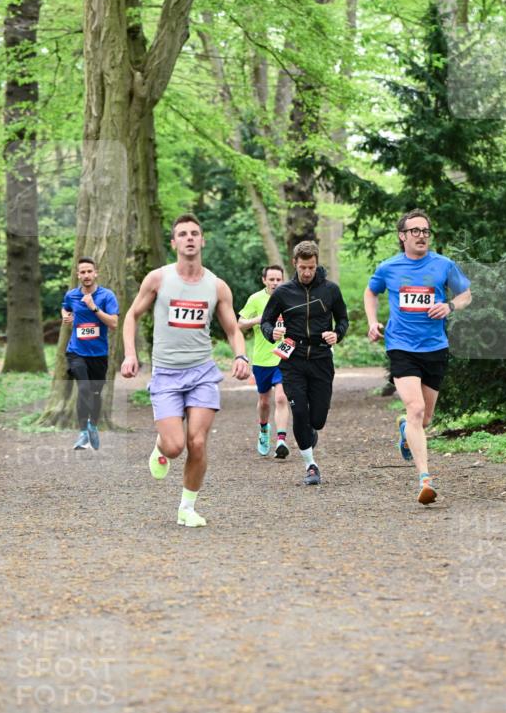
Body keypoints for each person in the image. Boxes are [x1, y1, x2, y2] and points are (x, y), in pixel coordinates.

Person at [120, 213, 250, 527]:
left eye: (194, 233)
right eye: (182, 234)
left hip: (202, 373)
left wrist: (241, 356)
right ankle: (162, 445)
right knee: (176, 446)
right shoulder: (158, 279)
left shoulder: (216, 286)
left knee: (198, 442)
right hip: (166, 373)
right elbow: (132, 315)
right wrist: (129, 354)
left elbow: (232, 329)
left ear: (202, 240)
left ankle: (187, 508)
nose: (189, 238)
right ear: (174, 242)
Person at [364, 208, 471, 505]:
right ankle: (425, 478)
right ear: (402, 236)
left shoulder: (443, 265)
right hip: (401, 346)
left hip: (435, 347)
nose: (421, 235)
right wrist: (373, 322)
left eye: (425, 231)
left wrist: (449, 306)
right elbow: (370, 292)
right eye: (415, 231)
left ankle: (405, 431)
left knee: (424, 418)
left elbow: (466, 295)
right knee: (415, 408)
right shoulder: (388, 268)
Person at [260, 240, 349, 486]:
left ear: (317, 263)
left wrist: (337, 334)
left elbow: (342, 319)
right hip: (293, 358)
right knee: (299, 411)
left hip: (321, 358)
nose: (307, 272)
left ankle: (309, 433)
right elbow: (265, 322)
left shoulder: (330, 290)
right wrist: (272, 334)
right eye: (302, 268)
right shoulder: (283, 292)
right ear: (295, 264)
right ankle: (310, 465)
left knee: (317, 419)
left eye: (311, 267)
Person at [61, 256, 119, 451]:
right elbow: (65, 307)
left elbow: (113, 323)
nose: (86, 275)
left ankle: (93, 425)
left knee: (95, 393)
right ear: (78, 275)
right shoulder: (71, 295)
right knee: (83, 387)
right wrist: (66, 316)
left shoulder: (106, 296)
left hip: (99, 354)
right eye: (82, 272)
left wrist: (93, 307)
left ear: (96, 273)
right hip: (76, 352)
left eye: (89, 271)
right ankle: (82, 432)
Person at [238, 265, 291, 459]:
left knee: (281, 398)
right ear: (264, 280)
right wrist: (259, 320)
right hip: (262, 359)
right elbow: (240, 324)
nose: (275, 283)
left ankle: (281, 440)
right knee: (264, 401)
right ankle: (263, 430)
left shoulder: (289, 297)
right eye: (272, 279)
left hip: (283, 356)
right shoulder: (255, 299)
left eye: (279, 279)